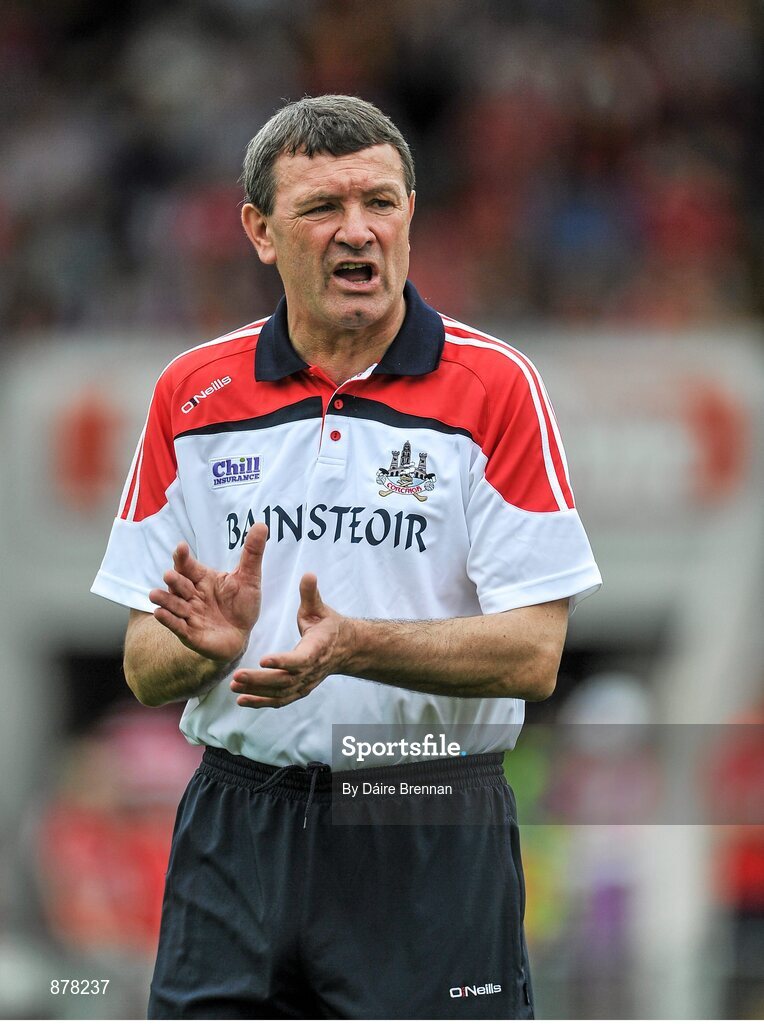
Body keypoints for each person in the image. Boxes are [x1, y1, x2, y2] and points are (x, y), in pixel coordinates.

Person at [92, 94, 601, 1019]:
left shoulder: (497, 388)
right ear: (260, 230)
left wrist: (354, 643)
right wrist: (205, 647)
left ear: (412, 214)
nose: (356, 230)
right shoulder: (193, 393)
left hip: (423, 821)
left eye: (381, 202)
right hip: (235, 827)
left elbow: (534, 654)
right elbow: (141, 666)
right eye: (322, 207)